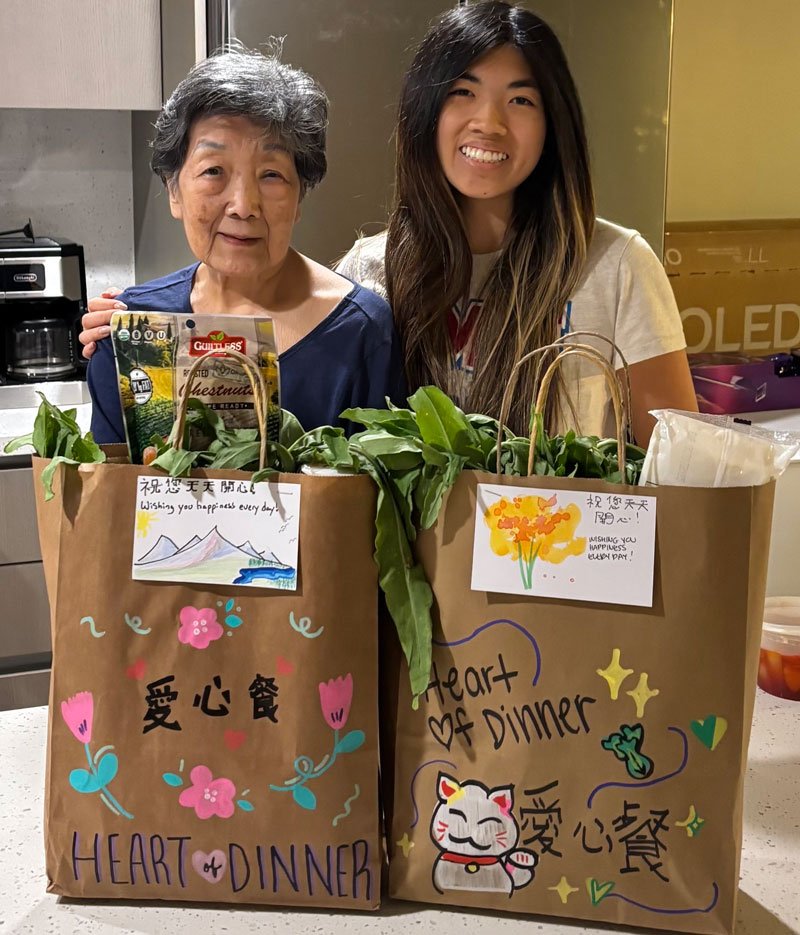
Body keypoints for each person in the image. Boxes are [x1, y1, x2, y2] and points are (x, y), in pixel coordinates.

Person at [81, 2, 696, 445]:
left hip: (572, 581)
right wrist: (133, 323)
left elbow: (678, 471)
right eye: (462, 93)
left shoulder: (614, 266)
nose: (489, 124)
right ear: (425, 114)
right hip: (426, 601)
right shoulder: (374, 273)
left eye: (521, 99)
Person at [86, 48, 405, 443]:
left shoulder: (361, 331)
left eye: (271, 175)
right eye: (214, 171)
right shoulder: (131, 331)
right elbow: (109, 492)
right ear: (173, 190)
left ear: (299, 196)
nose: (243, 205)